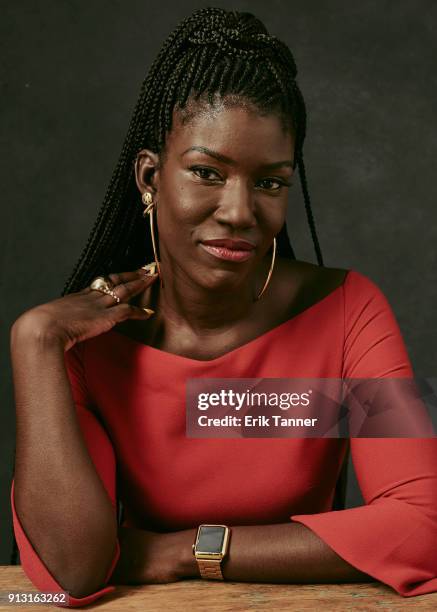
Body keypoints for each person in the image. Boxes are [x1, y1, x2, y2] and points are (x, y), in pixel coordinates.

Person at [9, 7, 437, 608]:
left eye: (269, 182)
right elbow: (74, 570)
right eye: (208, 172)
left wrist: (186, 551)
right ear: (151, 177)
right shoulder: (87, 345)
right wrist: (35, 341)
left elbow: (423, 527)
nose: (239, 212)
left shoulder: (347, 311)